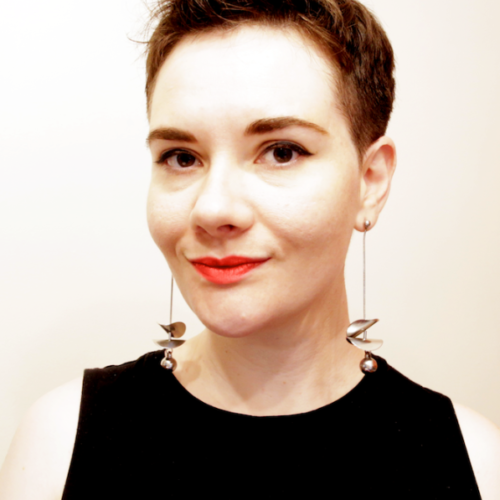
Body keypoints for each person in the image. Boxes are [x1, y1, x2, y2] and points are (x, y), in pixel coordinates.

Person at [1, 0, 499, 498]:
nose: (213, 208)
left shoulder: (478, 465)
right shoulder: (57, 445)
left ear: (370, 181)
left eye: (281, 152)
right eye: (181, 157)